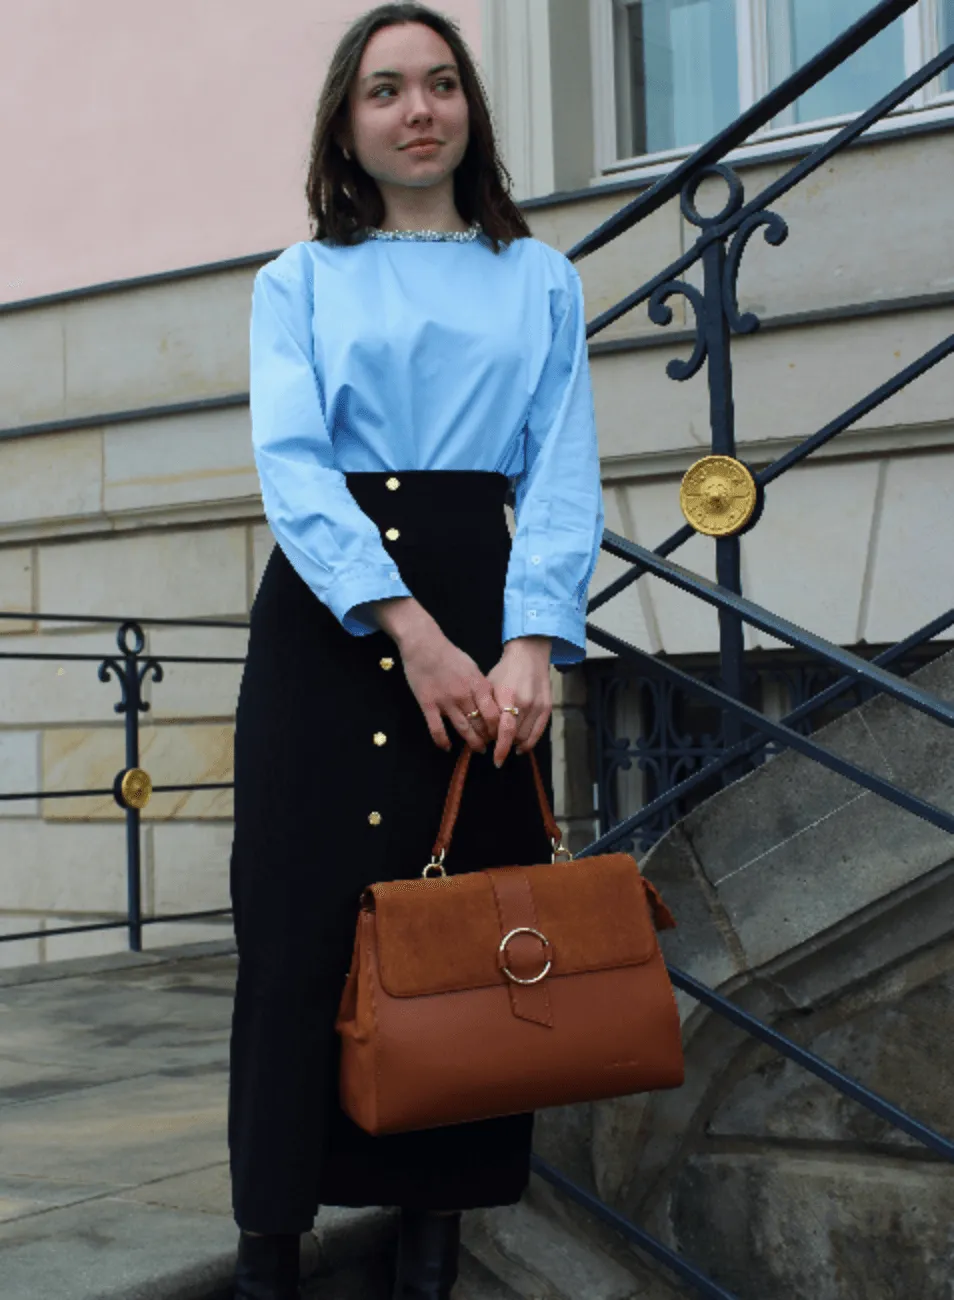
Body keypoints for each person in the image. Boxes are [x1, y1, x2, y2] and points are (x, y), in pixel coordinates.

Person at [227, 3, 605, 1297]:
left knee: (469, 938)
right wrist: (408, 633)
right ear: (348, 118)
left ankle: (431, 1260)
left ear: (469, 112)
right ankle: (269, 1252)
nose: (417, 109)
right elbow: (292, 466)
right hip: (334, 627)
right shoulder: (299, 279)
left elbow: (561, 467)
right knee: (295, 931)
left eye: (440, 84)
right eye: (385, 89)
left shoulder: (537, 276)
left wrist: (532, 643)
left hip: (489, 601)